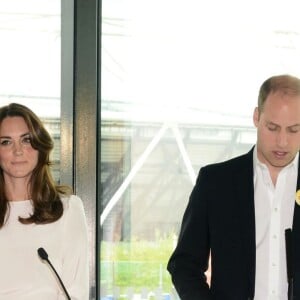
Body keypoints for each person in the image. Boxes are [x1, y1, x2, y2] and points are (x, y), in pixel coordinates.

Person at [167, 74, 300, 300]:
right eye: (273, 127)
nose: (282, 142)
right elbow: (184, 265)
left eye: (294, 130)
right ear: (256, 117)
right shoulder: (216, 183)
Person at [0, 103, 89, 300]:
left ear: (40, 146)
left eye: (26, 140)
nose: (18, 151)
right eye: (6, 142)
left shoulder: (68, 210)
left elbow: (76, 293)